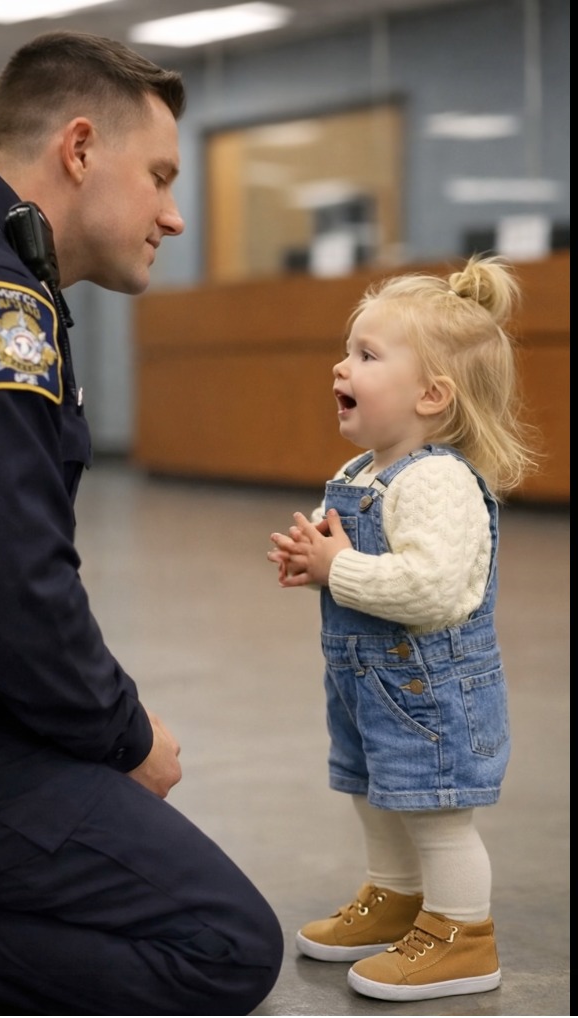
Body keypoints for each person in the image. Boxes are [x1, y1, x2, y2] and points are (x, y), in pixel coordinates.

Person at [0, 30, 283, 1017]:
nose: (174, 214)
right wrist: (122, 733)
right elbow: (5, 586)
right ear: (77, 148)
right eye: (157, 176)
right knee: (223, 945)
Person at [267, 254, 537, 1002]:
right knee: (377, 794)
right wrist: (317, 561)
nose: (339, 365)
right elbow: (363, 566)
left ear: (431, 395)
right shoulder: (366, 472)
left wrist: (340, 569)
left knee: (438, 816)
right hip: (375, 688)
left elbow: (436, 590)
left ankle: (463, 935)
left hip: (431, 692)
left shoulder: (440, 482)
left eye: (365, 355)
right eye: (347, 350)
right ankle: (397, 897)